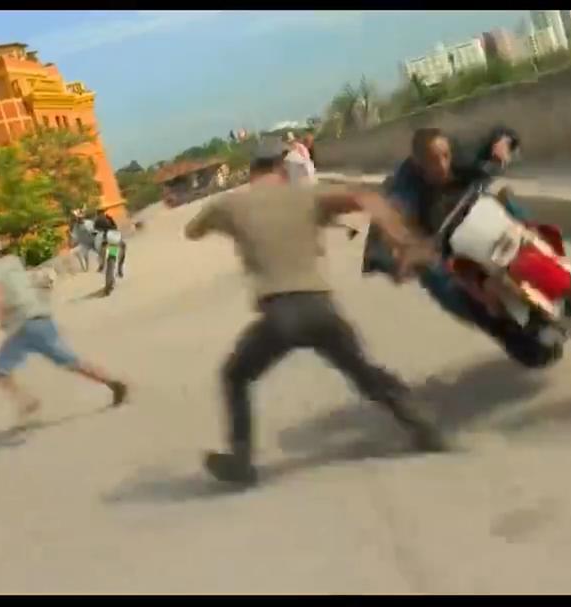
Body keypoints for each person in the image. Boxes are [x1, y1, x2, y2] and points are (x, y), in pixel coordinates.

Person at [184, 138, 449, 486]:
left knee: (235, 376)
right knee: (364, 372)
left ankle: (241, 460)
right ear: (282, 167)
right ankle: (423, 425)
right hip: (320, 308)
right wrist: (403, 242)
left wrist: (223, 224)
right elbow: (364, 198)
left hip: (279, 316)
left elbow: (192, 231)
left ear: (251, 171)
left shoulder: (230, 204)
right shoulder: (307, 196)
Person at [361, 126, 562, 369]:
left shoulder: (460, 152)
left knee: (511, 207)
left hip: (480, 218)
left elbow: (500, 134)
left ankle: (555, 259)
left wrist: (503, 143)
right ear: (417, 164)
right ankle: (508, 330)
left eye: (445, 156)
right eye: (432, 161)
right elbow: (387, 222)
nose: (442, 165)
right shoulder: (404, 186)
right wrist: (394, 253)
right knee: (448, 284)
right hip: (445, 247)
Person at [0, 237, 129, 426]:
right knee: (71, 361)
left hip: (22, 326)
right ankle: (112, 382)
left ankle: (27, 402)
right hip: (41, 317)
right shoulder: (14, 262)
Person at [92, 209, 127, 277]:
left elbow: (95, 230)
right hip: (109, 238)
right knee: (120, 248)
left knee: (108, 252)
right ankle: (119, 269)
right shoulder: (105, 219)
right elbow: (115, 227)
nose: (102, 215)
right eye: (101, 213)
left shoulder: (98, 220)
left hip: (107, 238)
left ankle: (106, 266)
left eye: (102, 213)